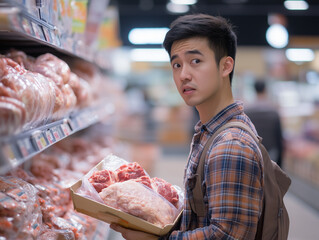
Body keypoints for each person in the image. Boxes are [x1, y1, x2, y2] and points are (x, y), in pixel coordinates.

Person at [110, 13, 264, 239]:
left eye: (196, 61)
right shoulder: (210, 131)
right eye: (176, 64)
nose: (183, 75)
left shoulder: (230, 144)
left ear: (225, 66)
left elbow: (226, 235)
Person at [245, 79, 284, 167]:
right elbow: (279, 138)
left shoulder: (247, 111)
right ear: (265, 89)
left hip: (253, 152)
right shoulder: (273, 111)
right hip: (271, 153)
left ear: (254, 90)